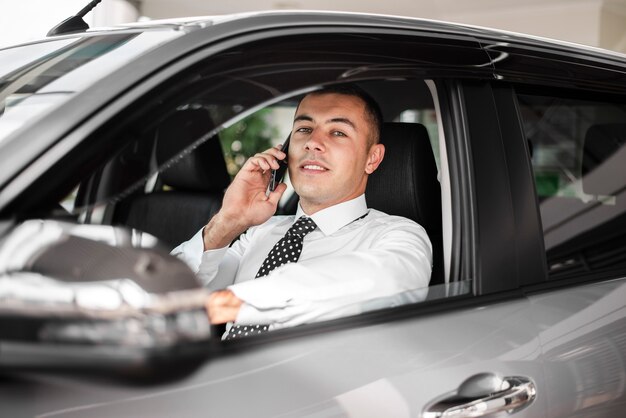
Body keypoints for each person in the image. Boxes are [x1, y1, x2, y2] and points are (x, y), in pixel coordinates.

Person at [172, 84, 432, 338]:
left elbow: (384, 283)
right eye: (304, 129)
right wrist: (228, 221)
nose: (313, 142)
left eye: (338, 132)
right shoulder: (258, 233)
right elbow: (174, 294)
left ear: (372, 159)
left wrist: (221, 306)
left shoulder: (400, 236)